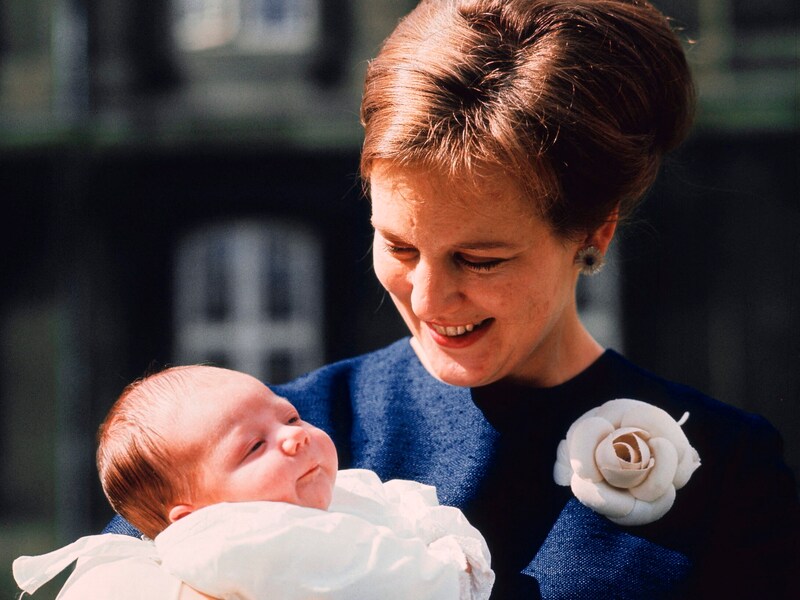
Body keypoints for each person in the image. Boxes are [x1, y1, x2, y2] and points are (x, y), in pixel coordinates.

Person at [58, 0, 800, 597]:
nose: (429, 293)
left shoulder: (730, 471)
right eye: (400, 247)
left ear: (593, 235)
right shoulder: (255, 446)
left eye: (480, 258)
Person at [13, 365, 495, 599]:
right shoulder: (233, 543)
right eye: (253, 447)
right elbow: (391, 583)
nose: (294, 438)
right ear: (195, 517)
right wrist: (452, 563)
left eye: (290, 417)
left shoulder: (349, 490)